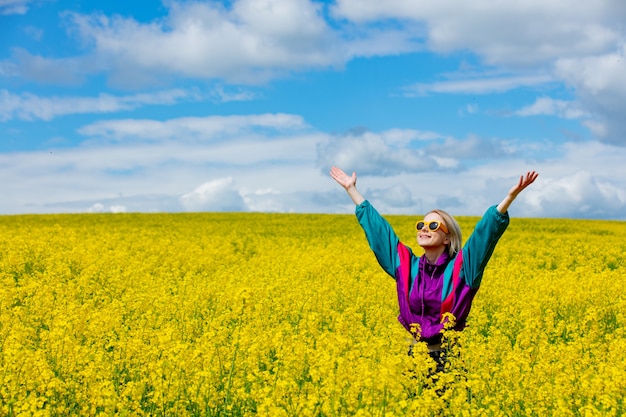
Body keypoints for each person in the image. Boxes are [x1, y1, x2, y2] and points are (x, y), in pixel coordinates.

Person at [330, 166, 538, 370]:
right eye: (421, 225)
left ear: (447, 237)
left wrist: (509, 198)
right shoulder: (407, 267)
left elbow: (484, 235)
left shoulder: (463, 269)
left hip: (448, 360)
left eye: (433, 226)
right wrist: (351, 190)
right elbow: (380, 233)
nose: (424, 229)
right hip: (414, 358)